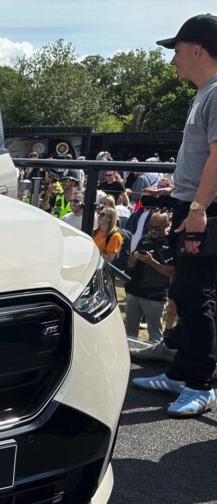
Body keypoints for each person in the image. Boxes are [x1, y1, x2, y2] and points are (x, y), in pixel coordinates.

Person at [133, 13, 217, 417]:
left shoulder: (216, 93)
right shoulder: (205, 94)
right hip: (191, 204)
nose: (173, 62)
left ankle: (201, 384)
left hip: (204, 210)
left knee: (195, 296)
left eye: (178, 51)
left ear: (198, 49)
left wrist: (198, 207)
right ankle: (181, 373)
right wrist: (174, 191)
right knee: (184, 291)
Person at [125, 213, 175, 342]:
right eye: (150, 227)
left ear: (166, 225)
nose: (152, 230)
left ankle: (155, 359)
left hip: (155, 294)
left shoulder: (170, 244)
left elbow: (171, 271)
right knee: (129, 333)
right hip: (135, 290)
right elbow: (131, 266)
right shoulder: (144, 239)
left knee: (154, 334)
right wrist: (132, 259)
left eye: (157, 228)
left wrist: (151, 262)